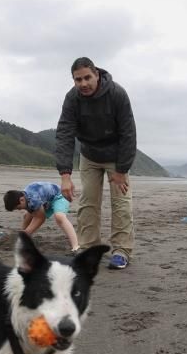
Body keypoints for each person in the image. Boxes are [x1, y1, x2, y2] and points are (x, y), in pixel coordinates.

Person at [55, 57, 136, 270]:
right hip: (89, 155)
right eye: (78, 79)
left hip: (116, 156)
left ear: (97, 75)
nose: (83, 84)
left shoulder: (117, 94)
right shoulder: (72, 98)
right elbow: (64, 133)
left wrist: (122, 170)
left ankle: (121, 251)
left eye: (87, 78)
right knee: (88, 203)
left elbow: (128, 133)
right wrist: (65, 175)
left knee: (121, 204)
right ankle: (89, 249)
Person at [3, 182, 81, 253]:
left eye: (18, 208)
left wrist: (27, 232)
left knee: (59, 217)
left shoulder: (33, 198)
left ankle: (75, 246)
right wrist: (24, 232)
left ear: (21, 200)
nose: (19, 209)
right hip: (46, 201)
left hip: (60, 196)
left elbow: (40, 218)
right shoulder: (24, 196)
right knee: (27, 215)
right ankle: (25, 240)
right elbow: (31, 214)